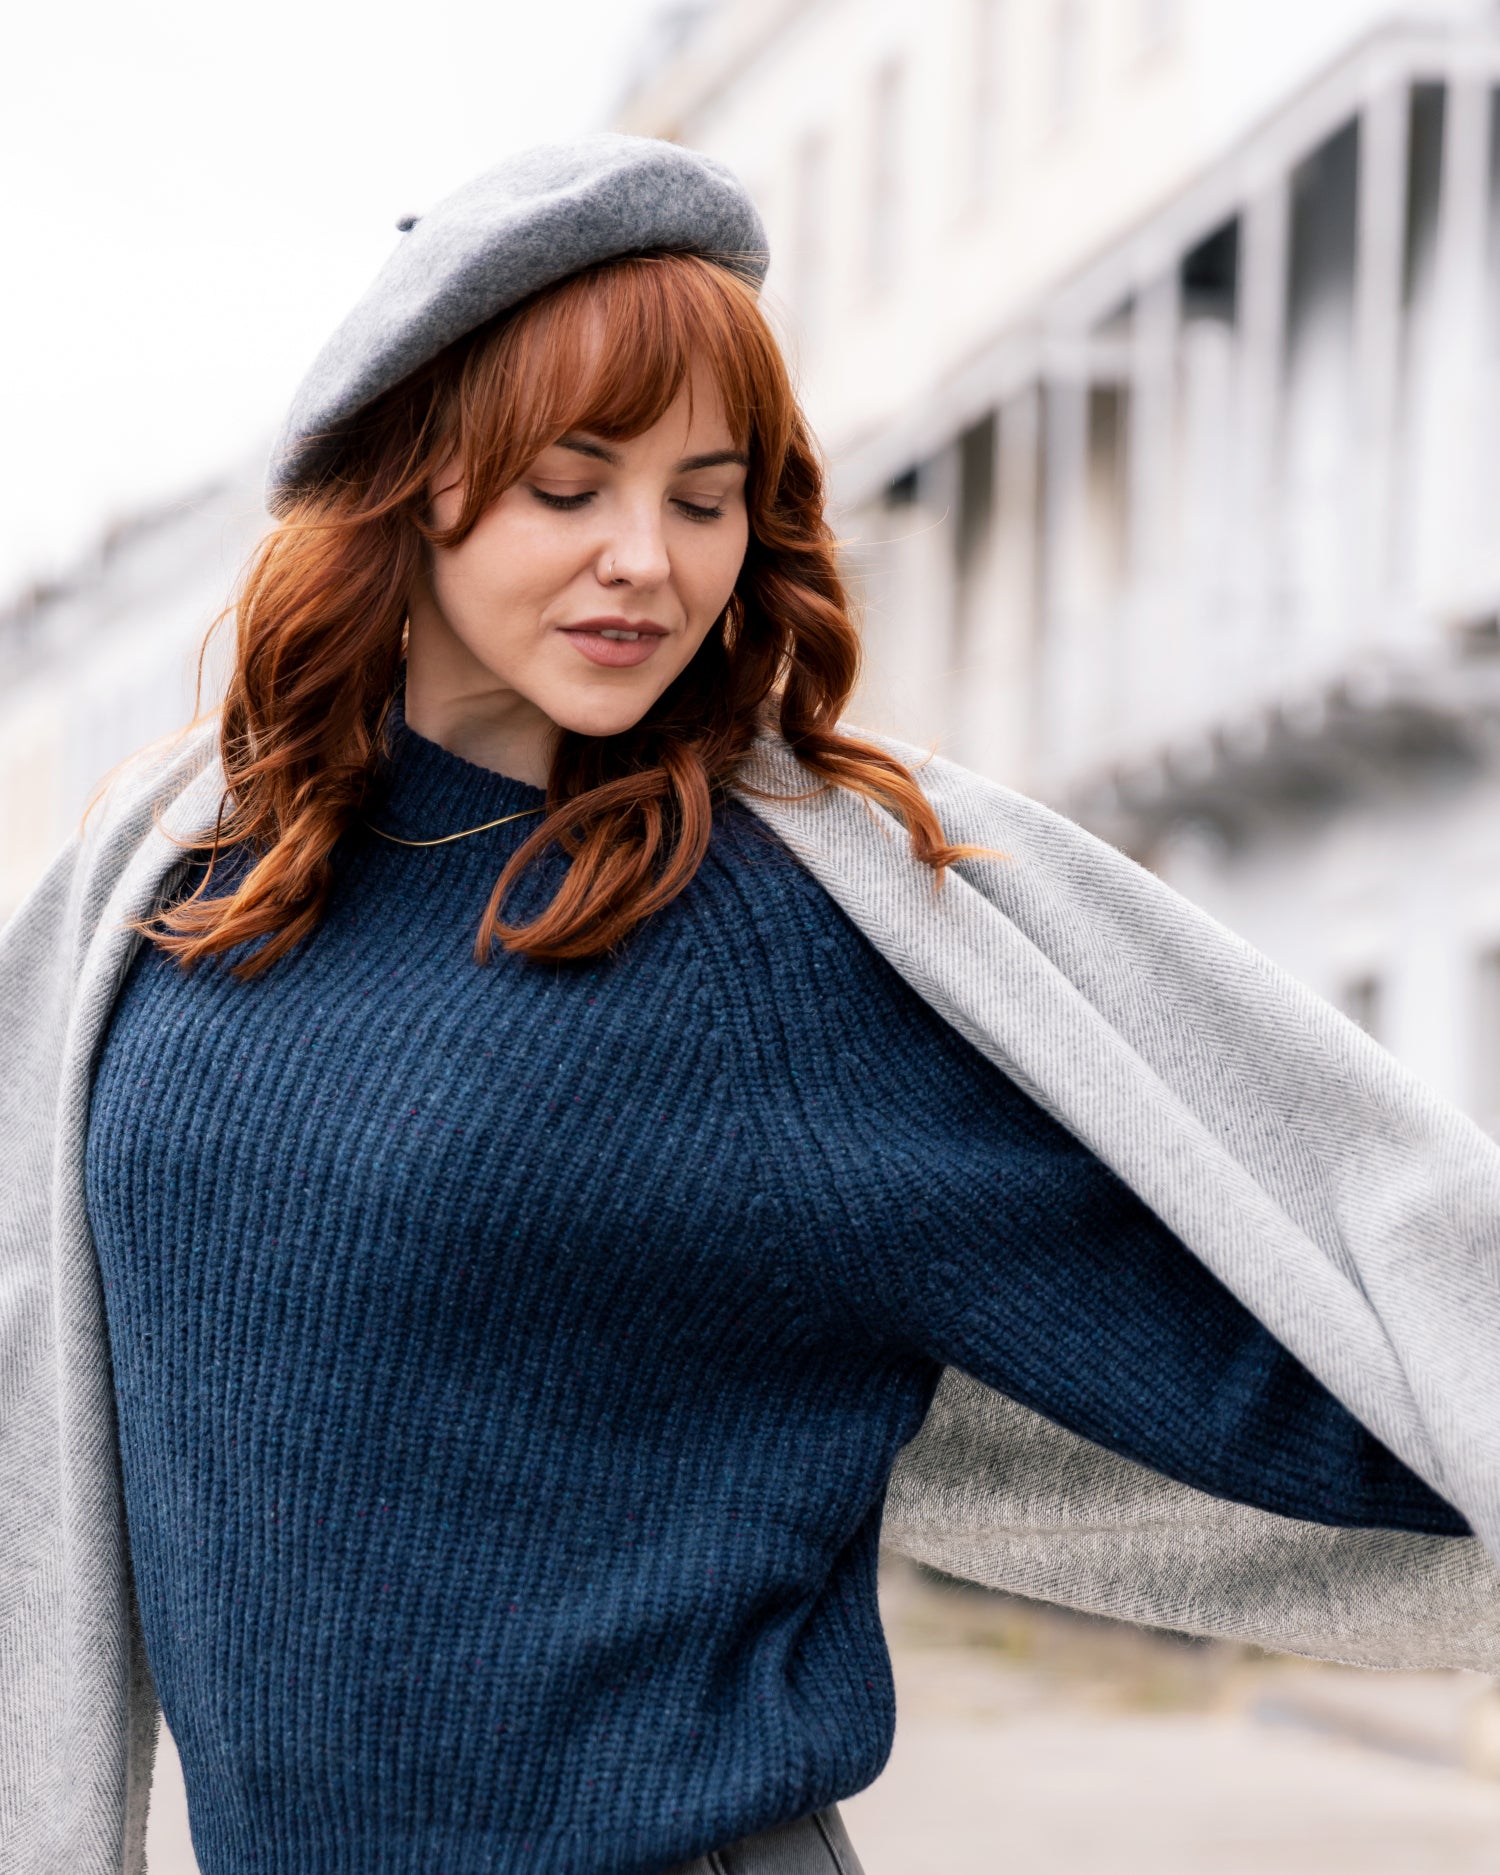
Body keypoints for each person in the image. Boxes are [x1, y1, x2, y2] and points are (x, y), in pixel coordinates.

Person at [6, 134, 1500, 1875]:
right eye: (574, 487)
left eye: (703, 498)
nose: (646, 557)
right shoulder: (178, 876)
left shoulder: (763, 934)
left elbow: (1244, 1332)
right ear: (415, 479)